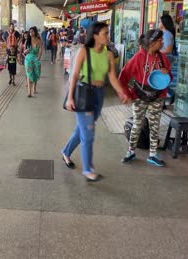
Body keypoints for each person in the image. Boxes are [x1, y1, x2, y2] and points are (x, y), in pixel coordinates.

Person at [62, 22, 130, 181]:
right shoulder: (83, 51)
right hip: (84, 94)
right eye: (105, 33)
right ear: (95, 36)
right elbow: (74, 75)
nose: (108, 36)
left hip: (99, 96)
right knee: (88, 134)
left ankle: (65, 152)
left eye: (108, 33)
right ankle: (88, 170)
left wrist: (121, 92)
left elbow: (112, 77)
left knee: (81, 130)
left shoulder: (109, 54)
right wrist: (70, 97)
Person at [119, 29, 171, 167]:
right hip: (139, 96)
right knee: (137, 124)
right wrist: (128, 94)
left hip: (157, 97)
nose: (163, 43)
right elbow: (123, 77)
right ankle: (130, 151)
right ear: (152, 43)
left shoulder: (163, 58)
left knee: (155, 126)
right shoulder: (138, 57)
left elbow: (169, 78)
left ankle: (153, 154)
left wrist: (167, 74)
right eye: (160, 41)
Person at [24, 27, 42, 97]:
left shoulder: (39, 41)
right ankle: (29, 91)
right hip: (28, 59)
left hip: (36, 59)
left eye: (32, 31)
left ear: (35, 32)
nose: (31, 33)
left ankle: (34, 87)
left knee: (35, 74)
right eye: (30, 32)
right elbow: (24, 51)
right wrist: (26, 51)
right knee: (29, 74)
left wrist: (39, 57)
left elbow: (40, 51)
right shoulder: (27, 41)